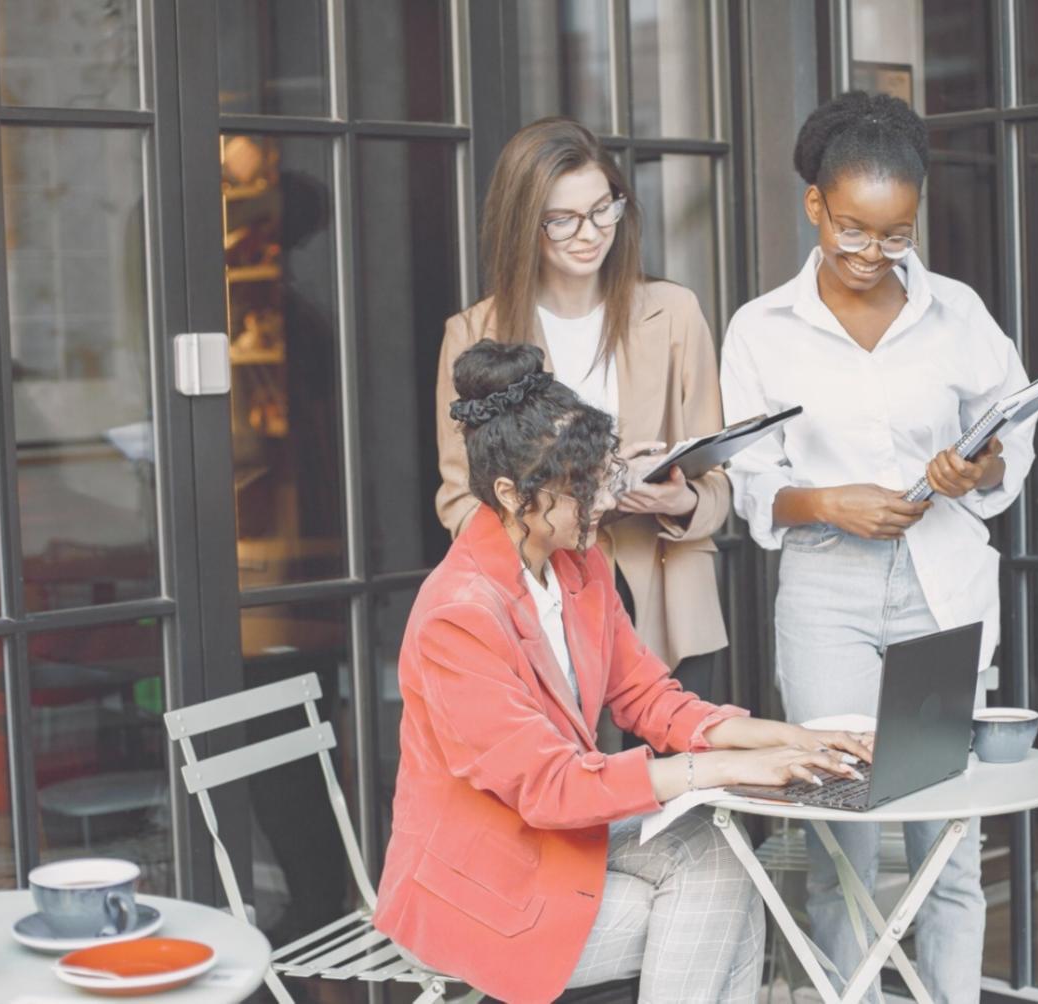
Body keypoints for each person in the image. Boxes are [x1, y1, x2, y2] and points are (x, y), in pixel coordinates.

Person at [375, 341, 875, 1004]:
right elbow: (550, 786)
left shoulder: (576, 563)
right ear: (509, 494)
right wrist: (725, 768)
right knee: (716, 908)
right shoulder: (457, 617)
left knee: (722, 868)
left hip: (551, 845)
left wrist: (793, 741)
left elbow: (649, 700)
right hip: (478, 887)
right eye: (580, 490)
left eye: (604, 478)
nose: (602, 503)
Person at [720, 91, 1038, 1004]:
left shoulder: (960, 314)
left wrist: (968, 472)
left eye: (894, 236)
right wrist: (828, 502)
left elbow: (1010, 440)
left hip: (939, 587)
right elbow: (748, 483)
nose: (870, 255)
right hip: (824, 599)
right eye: (852, 230)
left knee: (947, 847)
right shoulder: (760, 329)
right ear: (814, 205)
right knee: (837, 848)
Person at [434, 117, 730, 722]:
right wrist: (571, 508)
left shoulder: (674, 315)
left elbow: (717, 485)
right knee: (572, 797)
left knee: (681, 796)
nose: (589, 234)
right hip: (541, 599)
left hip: (669, 594)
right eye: (562, 220)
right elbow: (460, 500)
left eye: (603, 211)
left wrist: (678, 502)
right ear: (525, 224)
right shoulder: (474, 335)